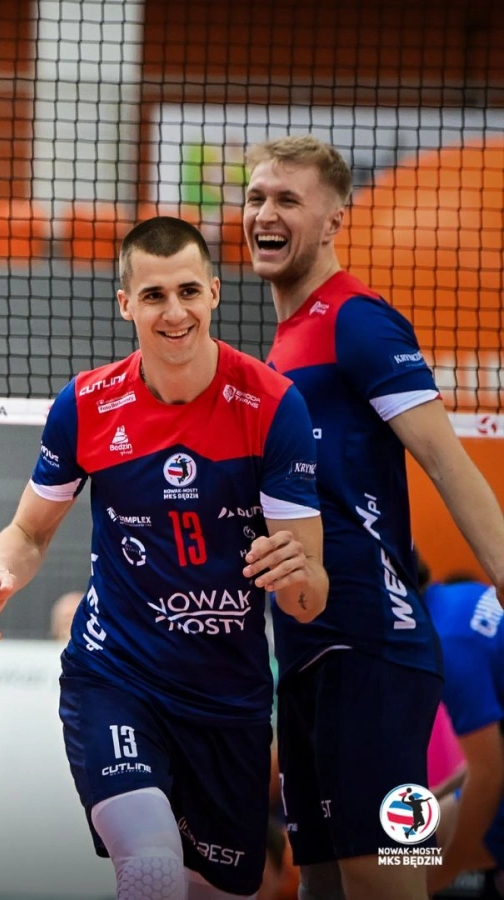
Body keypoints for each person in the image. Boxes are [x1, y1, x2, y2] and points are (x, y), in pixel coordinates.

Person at [0, 216, 329, 900]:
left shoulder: (272, 405)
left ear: (214, 293)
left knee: (217, 889)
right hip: (117, 676)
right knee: (150, 861)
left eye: (188, 291)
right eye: (154, 295)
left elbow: (309, 596)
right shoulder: (87, 405)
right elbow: (29, 531)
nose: (174, 312)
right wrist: (2, 572)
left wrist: (296, 577)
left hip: (229, 700)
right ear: (125, 304)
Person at [245, 135, 504, 900]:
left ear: (334, 219)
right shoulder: (285, 344)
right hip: (306, 649)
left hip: (372, 646)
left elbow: (448, 464)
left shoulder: (357, 321)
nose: (265, 212)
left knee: (384, 874)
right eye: (257, 197)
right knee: (321, 880)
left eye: (288, 199)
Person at [416, 557, 504, 896]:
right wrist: (437, 794)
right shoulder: (462, 596)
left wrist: (444, 871)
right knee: (396, 855)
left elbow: (489, 776)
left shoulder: (448, 642)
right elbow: (490, 758)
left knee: (399, 864)